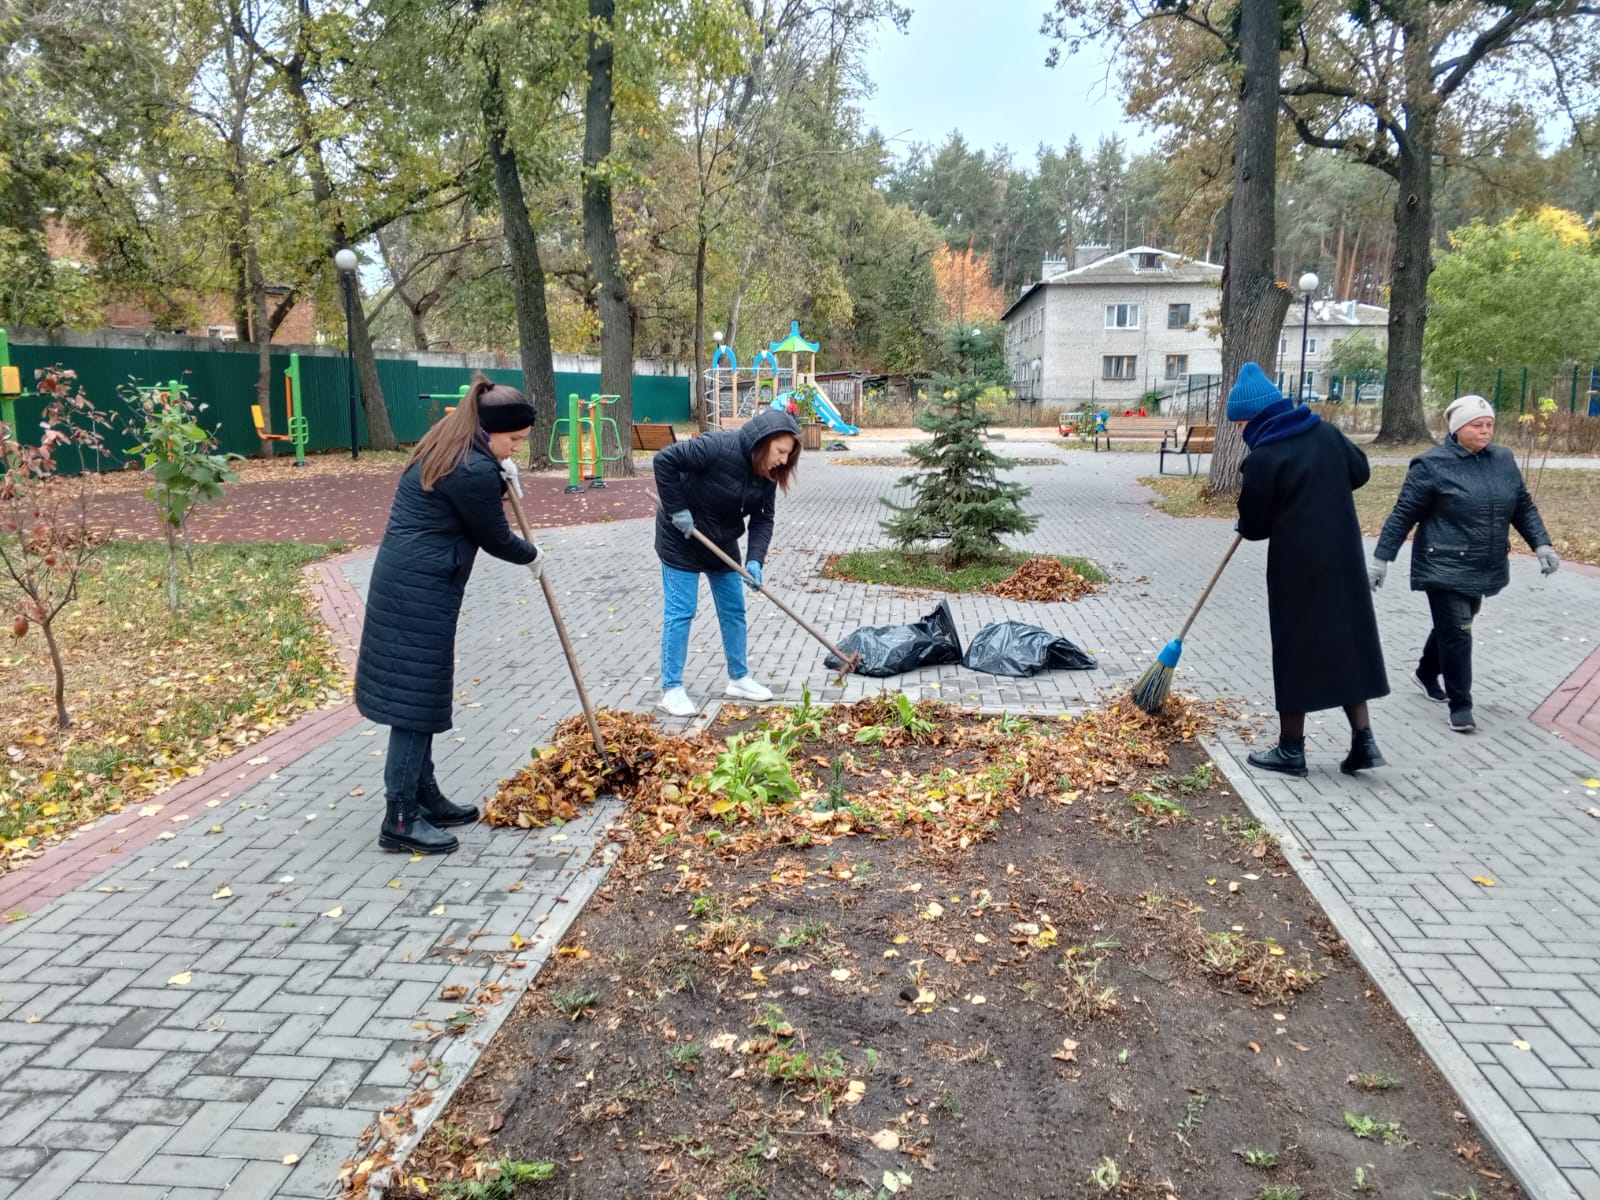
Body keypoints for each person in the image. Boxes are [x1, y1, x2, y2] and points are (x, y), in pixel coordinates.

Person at [354, 374, 542, 854]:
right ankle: (399, 819)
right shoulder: (473, 468)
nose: (517, 449)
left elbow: (462, 507)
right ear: (489, 430)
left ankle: (425, 797)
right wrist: (532, 555)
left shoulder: (451, 444)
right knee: (415, 704)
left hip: (409, 580)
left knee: (420, 695)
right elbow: (495, 537)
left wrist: (501, 480)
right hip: (420, 588)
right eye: (514, 440)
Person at [1229, 362, 1389, 777]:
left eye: (1240, 422)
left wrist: (1244, 519)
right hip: (1343, 559)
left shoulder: (1265, 457)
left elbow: (1256, 526)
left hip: (1296, 568)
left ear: (1256, 417)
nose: (1239, 431)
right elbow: (1361, 470)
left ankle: (1291, 749)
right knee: (1347, 642)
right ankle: (1364, 740)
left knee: (1295, 649)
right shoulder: (1326, 433)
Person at [1370, 394, 1558, 734]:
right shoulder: (1431, 465)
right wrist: (1382, 559)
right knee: (1458, 632)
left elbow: (1523, 506)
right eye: (1477, 425)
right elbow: (1403, 514)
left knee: (1457, 624)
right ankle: (1461, 705)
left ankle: (1426, 672)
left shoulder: (1503, 459)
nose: (1486, 431)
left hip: (1484, 562)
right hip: (1442, 563)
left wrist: (1541, 544)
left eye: (1489, 425)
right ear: (1457, 429)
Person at [653, 407, 802, 717]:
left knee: (734, 608)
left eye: (789, 455)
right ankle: (672, 689)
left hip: (720, 540)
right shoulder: (718, 447)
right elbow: (664, 460)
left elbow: (764, 519)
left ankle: (739, 678)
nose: (784, 461)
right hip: (681, 535)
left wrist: (755, 561)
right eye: (781, 451)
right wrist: (678, 509)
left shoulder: (767, 474)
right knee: (682, 611)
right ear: (764, 441)